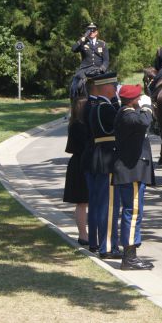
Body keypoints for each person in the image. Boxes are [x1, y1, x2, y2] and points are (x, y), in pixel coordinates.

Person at [113, 84, 155, 270]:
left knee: (134, 213)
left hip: (132, 170)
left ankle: (131, 256)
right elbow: (144, 122)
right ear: (132, 100)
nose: (140, 100)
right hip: (131, 171)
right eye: (138, 98)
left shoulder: (128, 113)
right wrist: (147, 107)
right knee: (132, 213)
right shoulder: (127, 115)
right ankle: (129, 258)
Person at [85, 72, 122, 258]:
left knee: (100, 204)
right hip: (108, 159)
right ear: (105, 87)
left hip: (101, 157)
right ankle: (108, 246)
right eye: (113, 85)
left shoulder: (99, 106)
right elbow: (120, 128)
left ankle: (102, 243)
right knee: (109, 206)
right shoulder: (105, 108)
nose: (115, 88)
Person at [63, 96, 90, 246]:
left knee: (82, 203)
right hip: (82, 164)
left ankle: (84, 234)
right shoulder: (81, 125)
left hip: (76, 163)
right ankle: (83, 235)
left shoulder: (74, 123)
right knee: (83, 202)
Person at [70, 22, 110, 97]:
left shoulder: (102, 44)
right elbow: (74, 49)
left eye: (93, 30)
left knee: (111, 86)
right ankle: (76, 103)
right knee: (77, 86)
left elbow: (106, 60)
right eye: (89, 30)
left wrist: (102, 68)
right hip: (85, 70)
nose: (91, 32)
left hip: (99, 70)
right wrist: (83, 38)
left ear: (97, 32)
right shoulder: (83, 43)